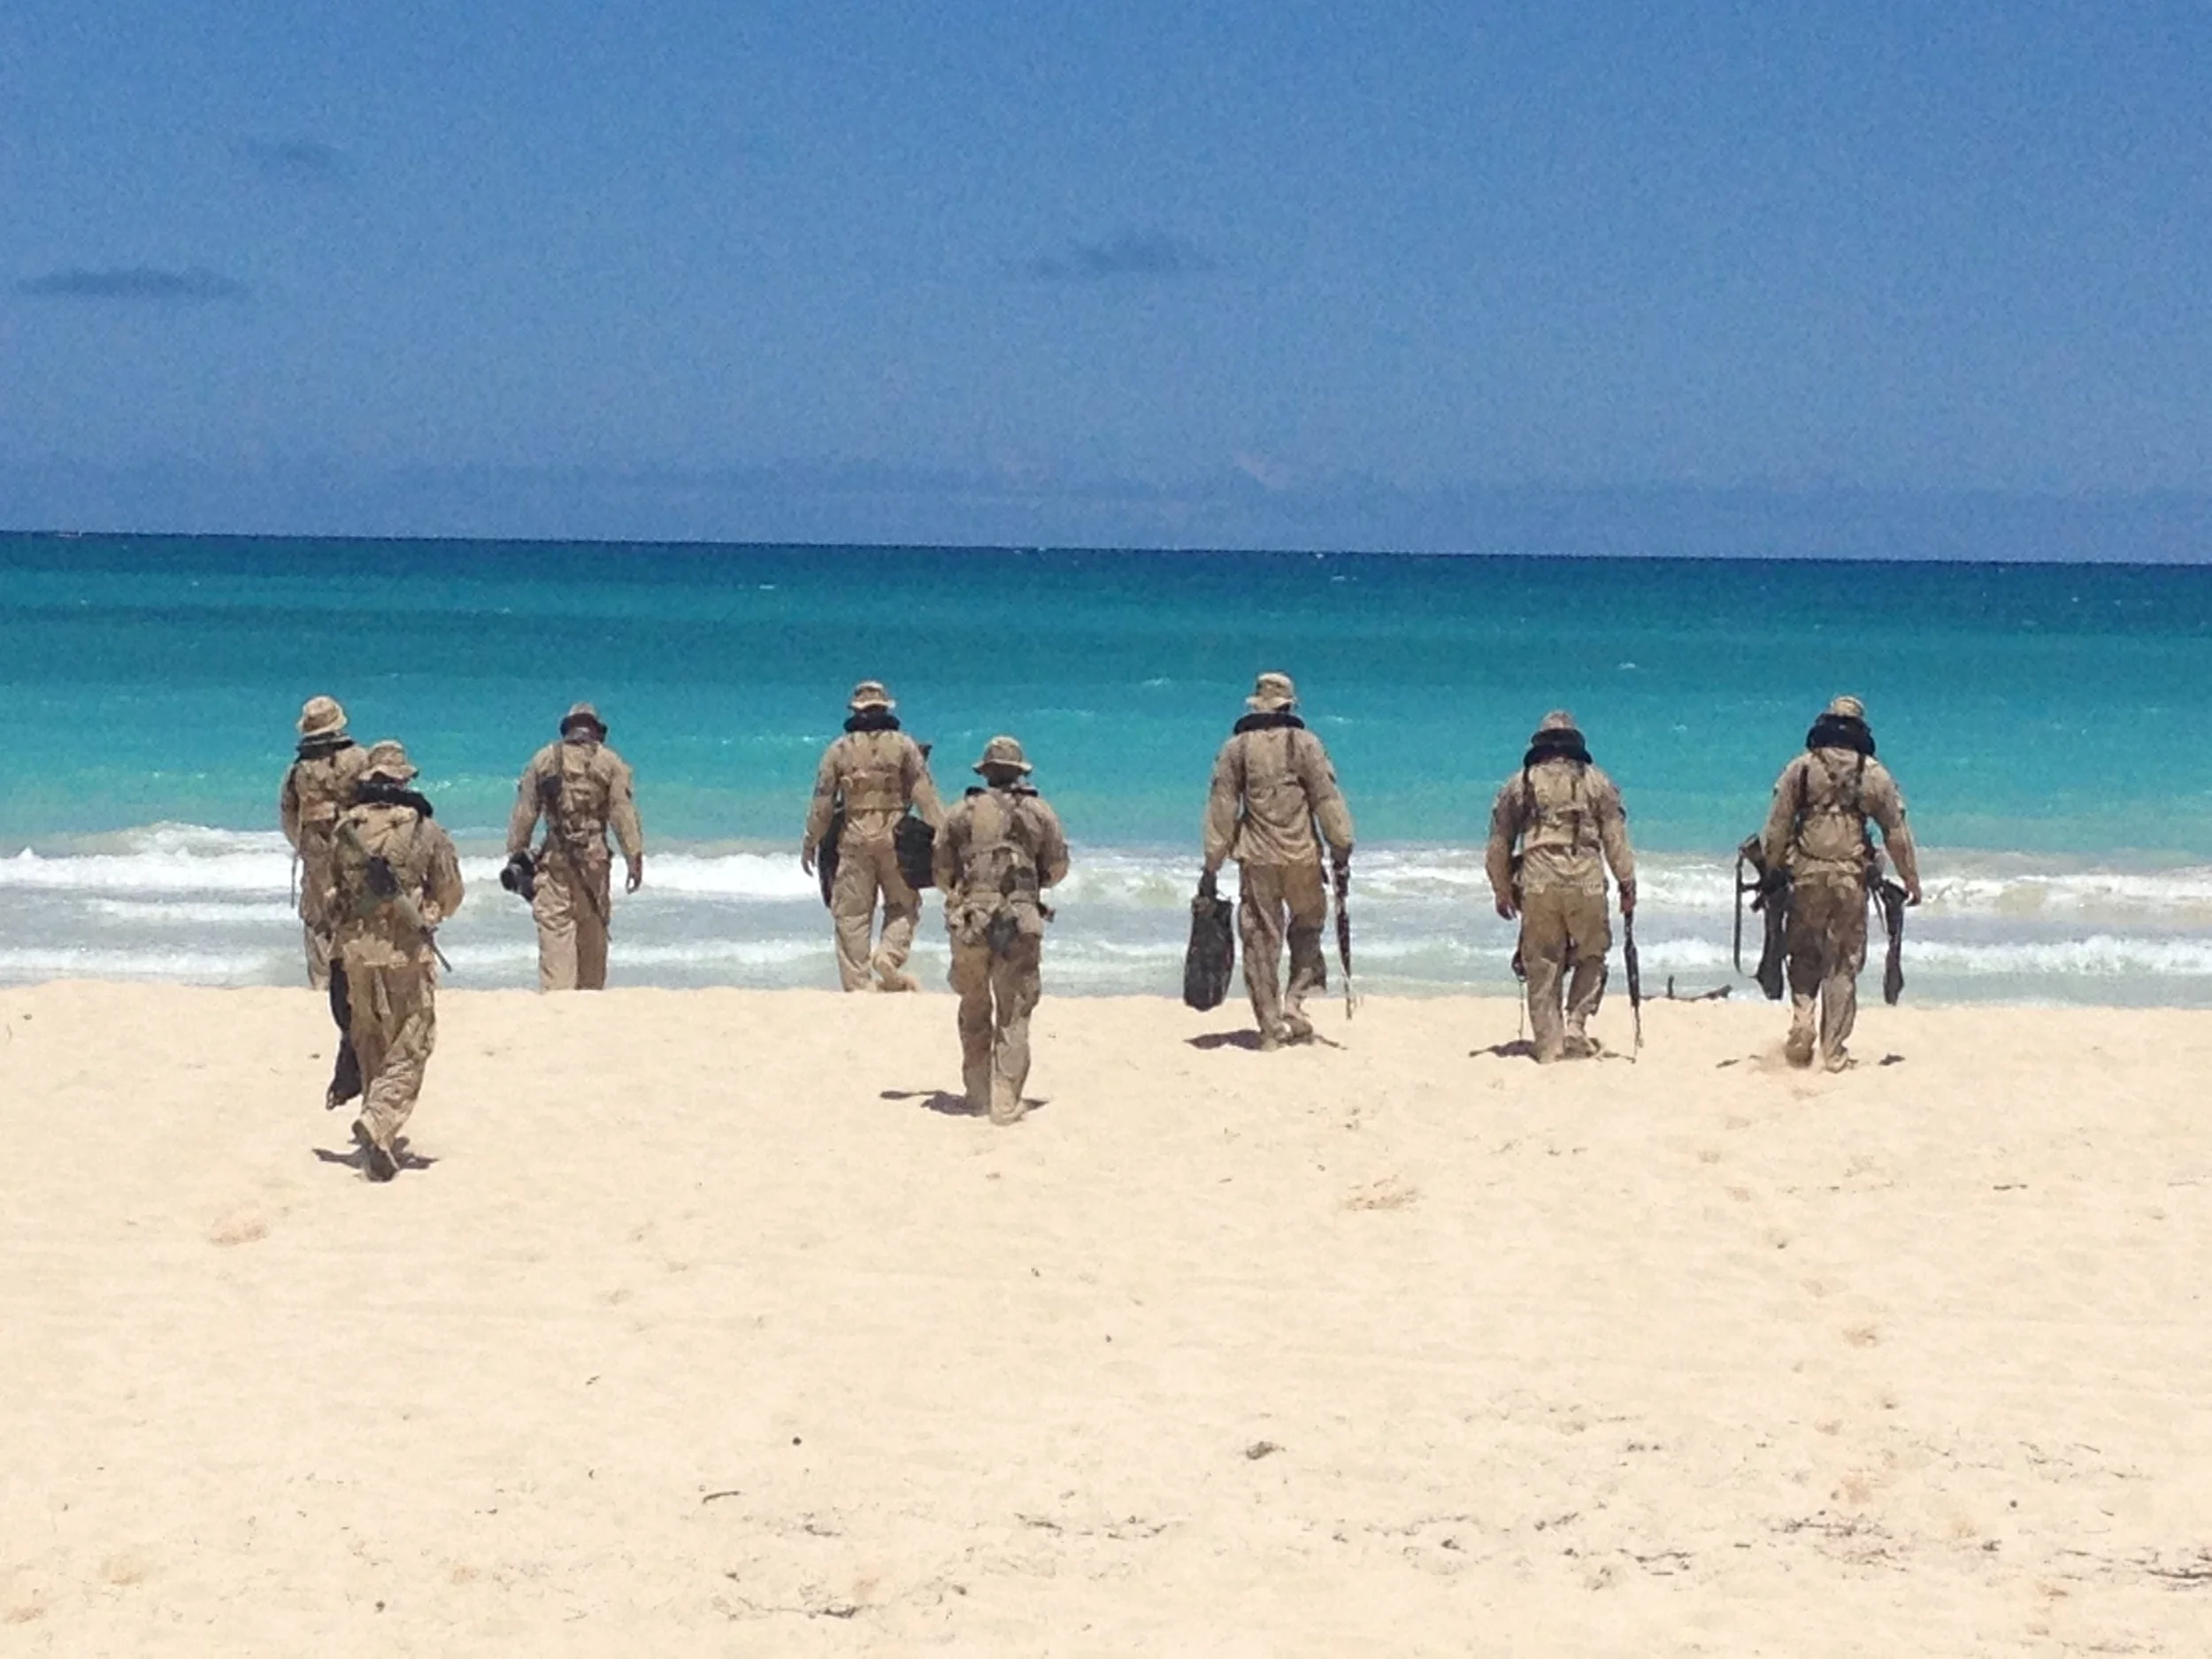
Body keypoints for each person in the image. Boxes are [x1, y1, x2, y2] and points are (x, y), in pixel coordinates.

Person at [1760, 695, 1922, 1071]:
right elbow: (1896, 832)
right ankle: (1833, 1052)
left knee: (1802, 955)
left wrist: (1771, 871)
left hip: (1806, 875)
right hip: (1850, 878)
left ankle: (1802, 1022)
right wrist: (1911, 880)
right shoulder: (1875, 775)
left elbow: (1777, 826)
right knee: (1843, 964)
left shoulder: (1800, 770)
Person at [327, 741, 464, 1182]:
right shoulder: (425, 830)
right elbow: (450, 893)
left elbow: (330, 893)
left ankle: (376, 1135)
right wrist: (431, 915)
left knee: (369, 1040)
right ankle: (379, 1119)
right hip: (404, 951)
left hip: (354, 952)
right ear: (403, 780)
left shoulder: (346, 829)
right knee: (414, 1038)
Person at [1201, 672, 1355, 1049]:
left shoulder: (1235, 748)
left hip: (1256, 860)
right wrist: (1342, 846)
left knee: (1260, 943)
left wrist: (1211, 864)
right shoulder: (1306, 744)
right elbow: (1326, 799)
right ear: (1288, 705)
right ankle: (1295, 1002)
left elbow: (1222, 809)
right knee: (1308, 929)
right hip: (1302, 856)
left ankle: (1269, 1027)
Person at [1484, 711, 1638, 1063]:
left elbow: (1499, 843)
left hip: (1537, 880)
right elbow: (1615, 839)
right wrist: (1627, 884)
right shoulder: (1598, 782)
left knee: (1541, 964)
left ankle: (1550, 1048)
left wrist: (1502, 888)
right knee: (1592, 954)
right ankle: (1576, 1023)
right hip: (1585, 879)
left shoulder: (1520, 783)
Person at [932, 736, 1068, 1124]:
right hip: (1020, 919)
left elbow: (941, 872)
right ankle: (1005, 1100)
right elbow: (1058, 869)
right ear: (1020, 772)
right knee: (1015, 1012)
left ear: (986, 772)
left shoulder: (960, 812)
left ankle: (977, 1094)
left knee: (973, 1005)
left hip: (971, 920)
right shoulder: (1040, 812)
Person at [801, 680, 947, 992]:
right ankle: (889, 957)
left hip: (853, 838)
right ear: (886, 709)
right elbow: (926, 796)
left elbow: (823, 803)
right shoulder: (905, 745)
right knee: (903, 905)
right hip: (897, 837)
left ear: (855, 711)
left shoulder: (838, 750)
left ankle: (858, 985)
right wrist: (943, 835)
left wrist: (810, 841)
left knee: (852, 915)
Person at [504, 703, 645, 992]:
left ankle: (559, 998)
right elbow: (622, 813)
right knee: (593, 934)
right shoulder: (611, 763)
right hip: (595, 862)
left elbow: (525, 813)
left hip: (554, 861)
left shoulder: (544, 760)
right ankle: (589, 998)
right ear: (595, 731)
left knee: (556, 931)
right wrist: (634, 857)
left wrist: (516, 854)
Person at [278, 695, 369, 990]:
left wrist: (302, 846)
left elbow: (287, 812)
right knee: (357, 911)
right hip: (355, 842)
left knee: (317, 916)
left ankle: (322, 982)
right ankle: (357, 979)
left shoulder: (298, 769)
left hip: (315, 846)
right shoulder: (359, 758)